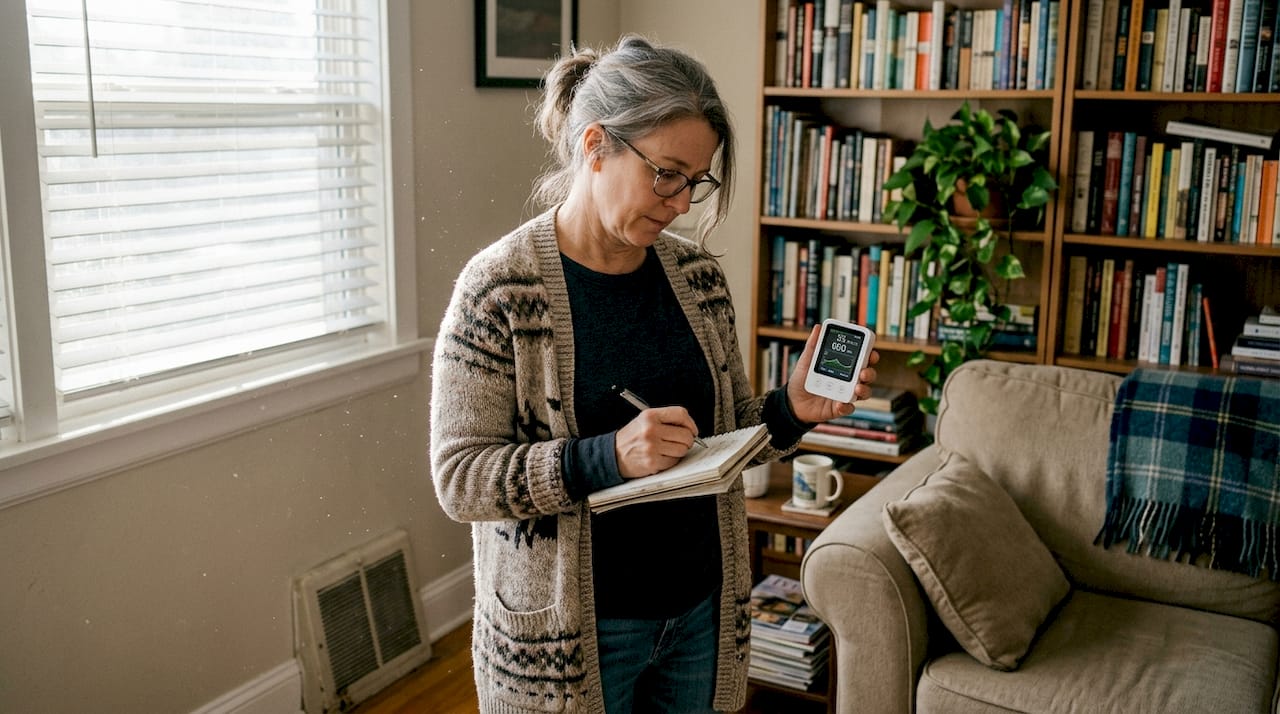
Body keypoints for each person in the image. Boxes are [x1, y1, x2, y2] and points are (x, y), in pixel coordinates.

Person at [430, 34, 879, 714]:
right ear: (595, 146)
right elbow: (461, 479)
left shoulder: (698, 280)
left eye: (696, 181)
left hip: (698, 614)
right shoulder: (498, 292)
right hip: (573, 637)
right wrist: (606, 457)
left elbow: (720, 442)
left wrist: (789, 409)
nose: (681, 203)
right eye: (666, 173)